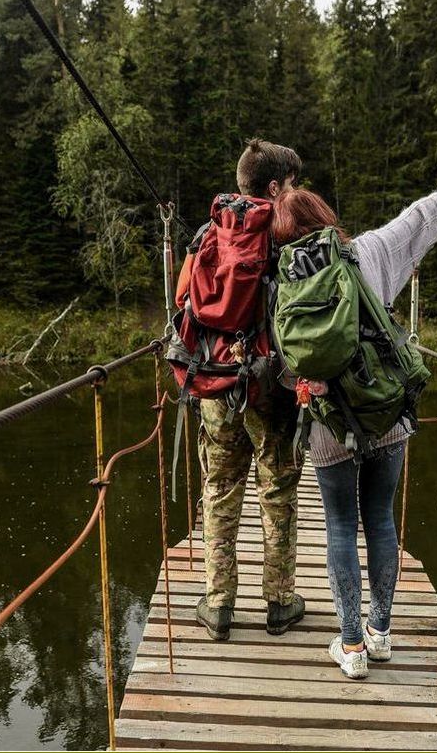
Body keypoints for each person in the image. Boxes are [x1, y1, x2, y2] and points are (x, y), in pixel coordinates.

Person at [270, 170, 437, 678]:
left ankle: (350, 647)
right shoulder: (369, 250)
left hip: (327, 425)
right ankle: (382, 633)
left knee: (340, 526)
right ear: (327, 220)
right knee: (382, 519)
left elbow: (282, 359)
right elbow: (418, 220)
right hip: (387, 410)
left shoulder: (280, 282)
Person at [187, 139, 307, 641]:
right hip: (268, 384)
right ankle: (280, 602)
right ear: (275, 187)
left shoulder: (207, 234)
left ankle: (218, 605)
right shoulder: (287, 238)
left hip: (216, 383)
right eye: (293, 184)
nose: (297, 192)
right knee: (276, 486)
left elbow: (185, 307)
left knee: (219, 486)